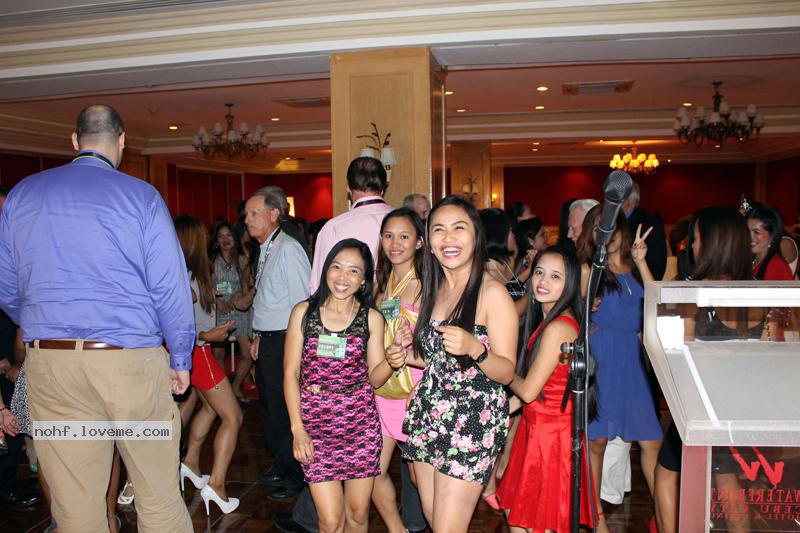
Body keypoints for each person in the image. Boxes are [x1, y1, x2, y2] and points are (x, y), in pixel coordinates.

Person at [0, 104, 194, 531]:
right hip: (130, 368)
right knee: (157, 495)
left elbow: (8, 288)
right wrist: (181, 358)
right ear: (121, 141)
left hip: (53, 371)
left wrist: (41, 323)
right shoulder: (141, 197)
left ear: (74, 140)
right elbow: (170, 288)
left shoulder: (22, 195)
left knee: (75, 507)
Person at [402, 196, 518, 532]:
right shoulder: (434, 290)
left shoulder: (492, 293)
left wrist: (476, 349)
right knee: (433, 519)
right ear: (429, 242)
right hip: (428, 413)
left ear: (476, 236)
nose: (448, 237)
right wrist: (405, 354)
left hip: (471, 421)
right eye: (439, 229)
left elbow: (507, 371)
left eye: (459, 228)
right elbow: (439, 358)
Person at [654, 205, 754, 533]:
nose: (692, 247)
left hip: (701, 404)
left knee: (668, 474)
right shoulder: (756, 290)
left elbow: (680, 352)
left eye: (695, 239)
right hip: (741, 404)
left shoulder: (696, 292)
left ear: (712, 243)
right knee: (727, 481)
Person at [285, 239, 395, 533]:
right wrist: (297, 429)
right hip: (315, 426)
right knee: (331, 521)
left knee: (358, 514)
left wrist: (392, 360)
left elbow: (375, 378)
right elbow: (290, 374)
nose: (342, 277)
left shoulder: (371, 318)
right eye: (336, 267)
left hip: (360, 425)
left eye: (353, 270)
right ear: (326, 270)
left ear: (363, 280)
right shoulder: (304, 313)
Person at [496, 245, 596, 532]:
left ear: (570, 284)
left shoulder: (559, 327)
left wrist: (492, 363)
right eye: (539, 272)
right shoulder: (550, 321)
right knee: (519, 517)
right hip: (538, 428)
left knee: (536, 522)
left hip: (550, 436)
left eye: (555, 276)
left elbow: (528, 391)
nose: (542, 281)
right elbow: (532, 392)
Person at [576, 205, 663, 533]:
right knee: (596, 442)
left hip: (632, 362)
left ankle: (664, 514)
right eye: (599, 227)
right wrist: (585, 306)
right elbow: (571, 312)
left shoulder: (636, 267)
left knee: (651, 441)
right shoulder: (588, 269)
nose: (607, 233)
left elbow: (657, 304)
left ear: (623, 231)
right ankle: (596, 518)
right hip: (601, 360)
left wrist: (641, 261)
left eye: (612, 226)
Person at [245, 186, 312, 502]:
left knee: (283, 412)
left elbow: (301, 302)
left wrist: (294, 347)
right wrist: (258, 333)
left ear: (274, 214)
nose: (247, 220)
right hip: (270, 339)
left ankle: (296, 477)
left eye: (253, 213)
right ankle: (283, 465)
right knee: (270, 410)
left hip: (286, 341)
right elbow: (268, 298)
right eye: (246, 214)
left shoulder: (288, 249)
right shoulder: (267, 247)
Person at [174, 215, 243, 514]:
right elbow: (173, 325)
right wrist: (207, 336)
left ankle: (190, 462)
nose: (207, 240)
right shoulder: (184, 278)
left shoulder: (189, 273)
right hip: (198, 352)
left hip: (196, 352)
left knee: (209, 408)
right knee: (233, 417)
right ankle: (217, 485)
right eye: (201, 236)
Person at [372, 208, 427, 533]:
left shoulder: (426, 286)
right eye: (389, 236)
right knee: (371, 472)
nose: (395, 243)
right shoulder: (382, 283)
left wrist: (409, 349)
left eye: (404, 236)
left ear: (419, 242)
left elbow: (438, 350)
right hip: (383, 390)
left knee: (422, 480)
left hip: (414, 393)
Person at [310, 157, 394, 292]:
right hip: (403, 301)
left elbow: (319, 283)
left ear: (348, 187)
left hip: (351, 302)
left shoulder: (334, 228)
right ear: (383, 189)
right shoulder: (406, 222)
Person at [209, 221, 254, 402]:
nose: (225, 239)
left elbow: (247, 286)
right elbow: (203, 286)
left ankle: (235, 386)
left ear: (234, 238)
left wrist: (239, 295)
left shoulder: (243, 260)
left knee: (248, 352)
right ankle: (224, 391)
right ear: (216, 241)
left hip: (238, 310)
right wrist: (217, 301)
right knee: (218, 354)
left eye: (228, 235)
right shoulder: (210, 261)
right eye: (221, 236)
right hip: (218, 310)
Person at [623, 182, 668, 280]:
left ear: (631, 200)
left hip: (641, 283)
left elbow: (658, 267)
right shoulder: (608, 223)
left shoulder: (650, 223)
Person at [747, 205, 794, 281]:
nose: (749, 237)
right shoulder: (753, 259)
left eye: (756, 232)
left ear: (772, 235)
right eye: (747, 231)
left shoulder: (776, 265)